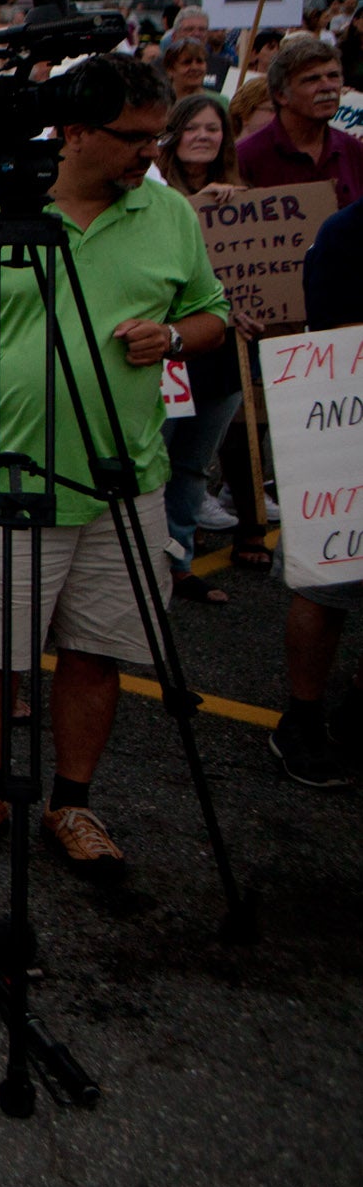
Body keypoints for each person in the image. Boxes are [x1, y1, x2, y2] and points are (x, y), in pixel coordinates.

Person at [0, 53, 230, 883]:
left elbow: (213, 315)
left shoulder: (168, 214)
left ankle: (72, 801)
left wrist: (176, 336)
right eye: (133, 139)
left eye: (158, 139)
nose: (148, 155)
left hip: (127, 475)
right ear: (75, 130)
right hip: (6, 472)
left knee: (97, 648)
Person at [274, 193, 363, 785]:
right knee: (327, 579)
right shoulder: (346, 234)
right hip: (345, 429)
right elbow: (330, 336)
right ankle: (301, 716)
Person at [149, 92, 254, 597]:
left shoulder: (244, 198)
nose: (203, 137)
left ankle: (180, 560)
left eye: (213, 129)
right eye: (192, 128)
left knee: (192, 464)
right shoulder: (151, 197)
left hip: (222, 354)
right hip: (166, 355)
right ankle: (140, 565)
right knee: (155, 461)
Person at [236, 36, 362, 207]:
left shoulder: (354, 152)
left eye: (333, 76)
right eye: (312, 79)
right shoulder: (245, 158)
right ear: (281, 95)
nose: (327, 86)